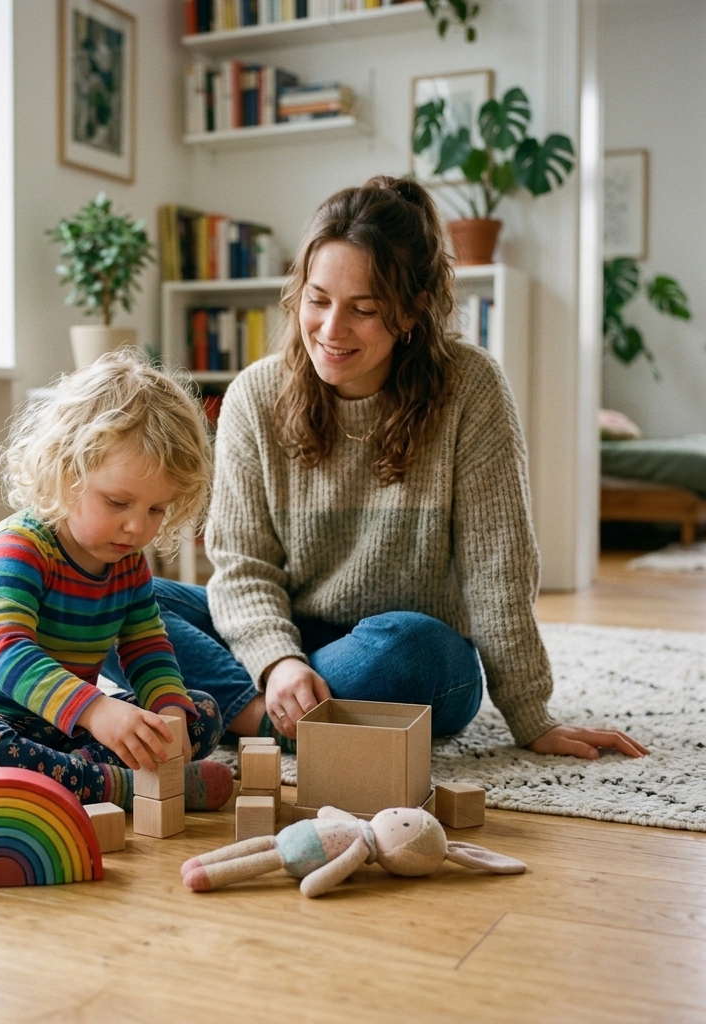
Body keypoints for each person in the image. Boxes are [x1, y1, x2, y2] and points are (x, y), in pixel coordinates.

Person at [107, 176, 648, 762]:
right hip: (283, 634)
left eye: (363, 309)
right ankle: (271, 715)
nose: (331, 331)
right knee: (105, 594)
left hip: (406, 654)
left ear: (412, 311)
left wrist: (531, 715)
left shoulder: (472, 388)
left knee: (411, 646)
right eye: (317, 301)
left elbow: (499, 568)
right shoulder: (254, 396)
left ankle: (237, 709)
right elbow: (242, 567)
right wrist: (278, 659)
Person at [0, 351, 234, 811]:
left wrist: (167, 711)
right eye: (118, 502)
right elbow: (6, 654)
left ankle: (74, 777)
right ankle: (122, 787)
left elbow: (146, 647)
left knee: (199, 712)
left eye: (155, 510)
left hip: (62, 730)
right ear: (67, 473)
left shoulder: (128, 562)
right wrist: (97, 709)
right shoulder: (16, 550)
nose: (136, 528)